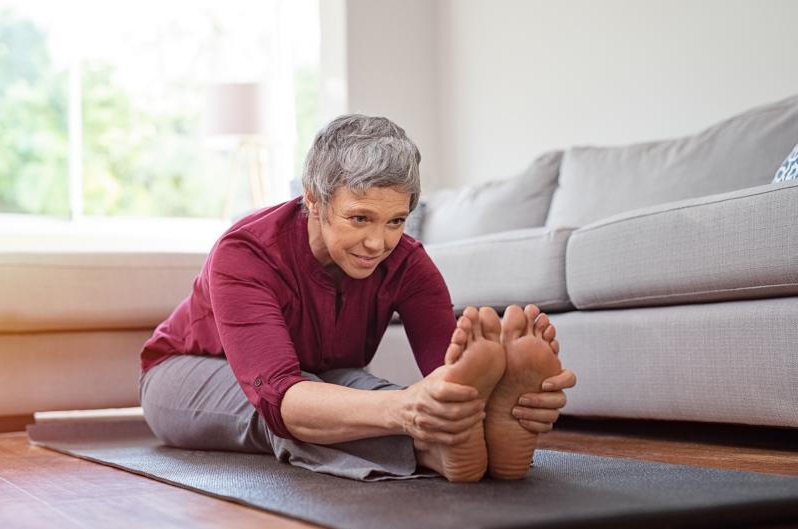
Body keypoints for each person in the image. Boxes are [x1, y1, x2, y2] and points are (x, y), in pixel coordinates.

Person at [139, 114, 577, 482]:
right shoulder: (246, 253)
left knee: (365, 392)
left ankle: (458, 441)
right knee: (296, 413)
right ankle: (429, 451)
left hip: (319, 376)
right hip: (190, 372)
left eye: (395, 221)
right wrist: (407, 409)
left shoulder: (408, 262)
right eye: (360, 218)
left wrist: (504, 400)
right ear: (313, 200)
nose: (377, 242)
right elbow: (280, 396)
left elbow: (450, 376)